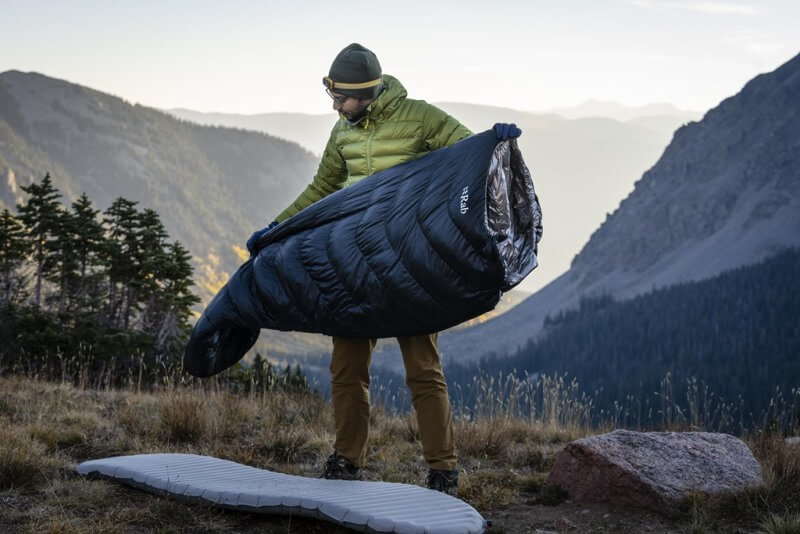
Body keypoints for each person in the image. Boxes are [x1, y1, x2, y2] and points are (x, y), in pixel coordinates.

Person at [247, 43, 520, 495]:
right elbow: (323, 187)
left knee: (422, 368)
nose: (336, 107)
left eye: (343, 99)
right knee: (347, 365)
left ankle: (442, 468)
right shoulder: (343, 132)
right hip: (354, 265)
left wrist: (496, 139)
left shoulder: (419, 117)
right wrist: (279, 226)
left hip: (414, 266)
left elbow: (468, 153)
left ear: (369, 91)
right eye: (332, 97)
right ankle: (346, 459)